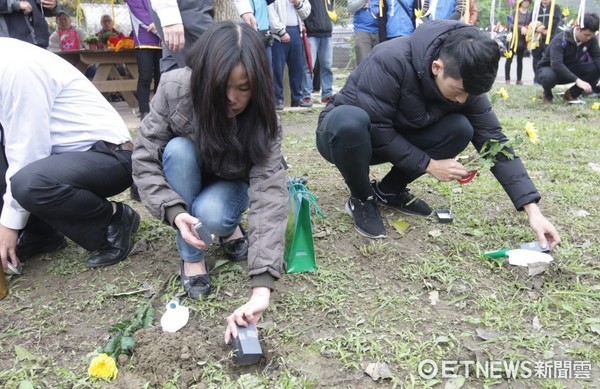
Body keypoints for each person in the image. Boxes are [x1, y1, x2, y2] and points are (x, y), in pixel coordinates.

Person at [316, 20, 561, 253]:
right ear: (437, 67)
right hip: (346, 139)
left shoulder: (466, 77)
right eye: (459, 91)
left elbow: (493, 141)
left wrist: (532, 210)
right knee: (350, 122)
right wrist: (429, 165)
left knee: (461, 128)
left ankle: (389, 191)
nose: (463, 99)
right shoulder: (391, 59)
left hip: (397, 136)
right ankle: (361, 198)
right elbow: (378, 129)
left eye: (470, 94)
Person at [132, 21, 287, 343]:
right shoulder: (175, 89)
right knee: (177, 150)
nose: (233, 98)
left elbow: (269, 194)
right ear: (204, 77)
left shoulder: (263, 118)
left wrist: (261, 287)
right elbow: (144, 158)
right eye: (223, 86)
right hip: (185, 174)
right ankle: (193, 259)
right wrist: (175, 212)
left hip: (230, 183)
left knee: (210, 211)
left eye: (244, 88)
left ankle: (226, 225)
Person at [0, 37, 140, 275]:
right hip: (63, 162)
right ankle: (41, 235)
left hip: (109, 156)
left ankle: (113, 220)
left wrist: (8, 226)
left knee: (27, 184)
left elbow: (28, 153)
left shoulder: (15, 68)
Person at [537, 13, 600, 104]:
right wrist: (577, 80)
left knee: (595, 68)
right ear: (578, 28)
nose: (589, 38)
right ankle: (547, 94)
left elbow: (597, 57)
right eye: (587, 35)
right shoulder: (560, 39)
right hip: (551, 69)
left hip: (571, 68)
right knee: (548, 77)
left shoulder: (591, 39)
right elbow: (556, 64)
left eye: (592, 35)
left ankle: (571, 94)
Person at [268, 0, 312, 110]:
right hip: (278, 35)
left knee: (297, 67)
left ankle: (297, 98)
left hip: (296, 31)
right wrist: (281, 32)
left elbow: (306, 12)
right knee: (277, 69)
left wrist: (298, 3)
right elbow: (270, 13)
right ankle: (278, 99)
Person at [126, 0, 162, 121]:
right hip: (144, 39)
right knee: (145, 77)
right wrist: (155, 24)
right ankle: (144, 111)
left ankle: (159, 110)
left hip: (162, 40)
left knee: (161, 76)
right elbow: (138, 12)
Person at [301, 0, 334, 106]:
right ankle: (306, 95)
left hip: (327, 32)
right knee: (308, 66)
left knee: (327, 66)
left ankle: (327, 93)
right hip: (311, 32)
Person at [529, 0, 561, 83]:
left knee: (548, 58)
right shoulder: (536, 8)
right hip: (537, 38)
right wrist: (536, 29)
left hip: (550, 37)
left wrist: (545, 28)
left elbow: (556, 20)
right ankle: (536, 79)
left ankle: (547, 79)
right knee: (536, 58)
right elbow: (530, 21)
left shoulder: (555, 7)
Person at [505, 0, 532, 85]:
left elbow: (530, 25)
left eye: (528, 2)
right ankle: (507, 79)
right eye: (525, 1)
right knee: (509, 59)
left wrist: (527, 29)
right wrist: (520, 27)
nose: (526, 3)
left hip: (523, 40)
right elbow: (510, 24)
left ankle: (519, 79)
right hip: (513, 39)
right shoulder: (514, 12)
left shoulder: (529, 14)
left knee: (520, 61)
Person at [348, 0, 380, 65]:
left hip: (380, 31)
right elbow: (350, 8)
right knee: (363, 63)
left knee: (379, 64)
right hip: (362, 31)